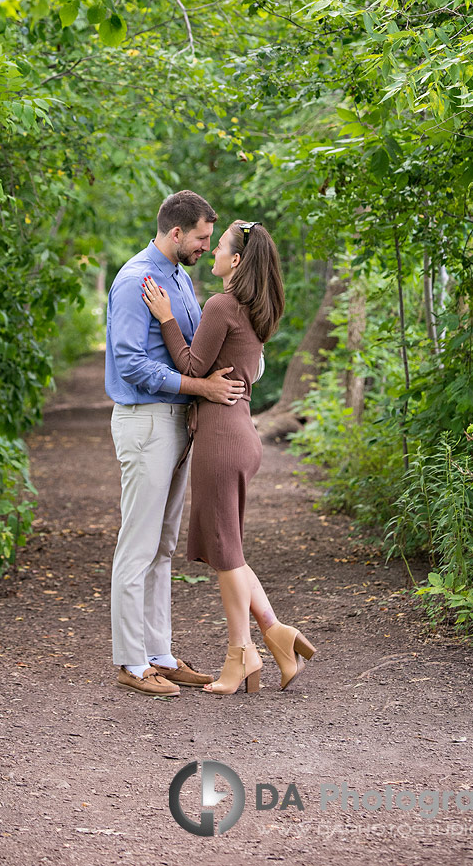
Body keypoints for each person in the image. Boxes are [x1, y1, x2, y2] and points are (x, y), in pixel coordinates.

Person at [142, 220, 315, 695]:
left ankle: (241, 655)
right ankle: (276, 634)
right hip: (240, 434)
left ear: (236, 261)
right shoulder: (254, 309)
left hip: (221, 440)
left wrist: (165, 318)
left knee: (227, 556)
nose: (211, 252)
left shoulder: (221, 305)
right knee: (230, 550)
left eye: (218, 247)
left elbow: (194, 367)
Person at [106, 190, 246, 697]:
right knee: (138, 543)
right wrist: (202, 389)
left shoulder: (181, 281)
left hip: (178, 422)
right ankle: (130, 661)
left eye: (212, 239)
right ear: (176, 233)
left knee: (163, 545)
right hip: (145, 421)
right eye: (203, 238)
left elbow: (188, 353)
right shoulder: (134, 281)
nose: (207, 248)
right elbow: (130, 363)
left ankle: (159, 655)